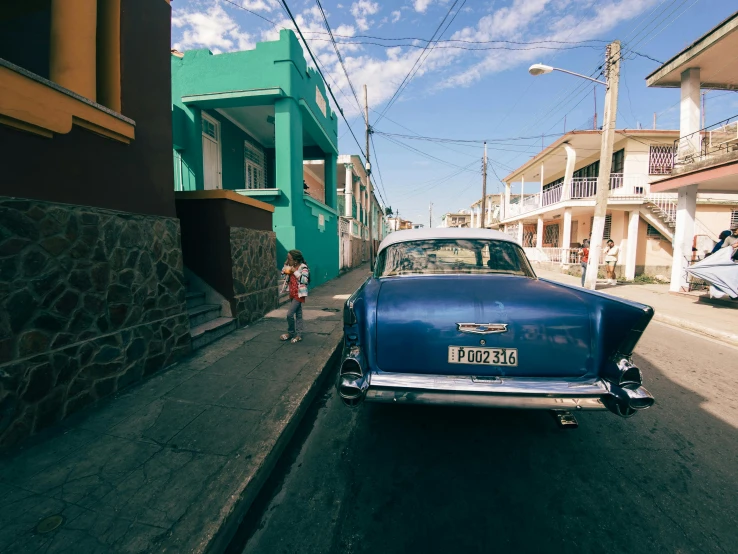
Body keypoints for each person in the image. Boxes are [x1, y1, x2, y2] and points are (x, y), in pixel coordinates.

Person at [280, 250, 310, 344]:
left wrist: (295, 271)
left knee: (289, 314)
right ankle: (299, 335)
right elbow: (282, 276)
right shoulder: (290, 266)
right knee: (298, 314)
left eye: (289, 259)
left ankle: (291, 332)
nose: (287, 260)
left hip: (299, 294)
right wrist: (285, 267)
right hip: (292, 293)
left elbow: (305, 280)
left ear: (295, 260)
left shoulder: (303, 267)